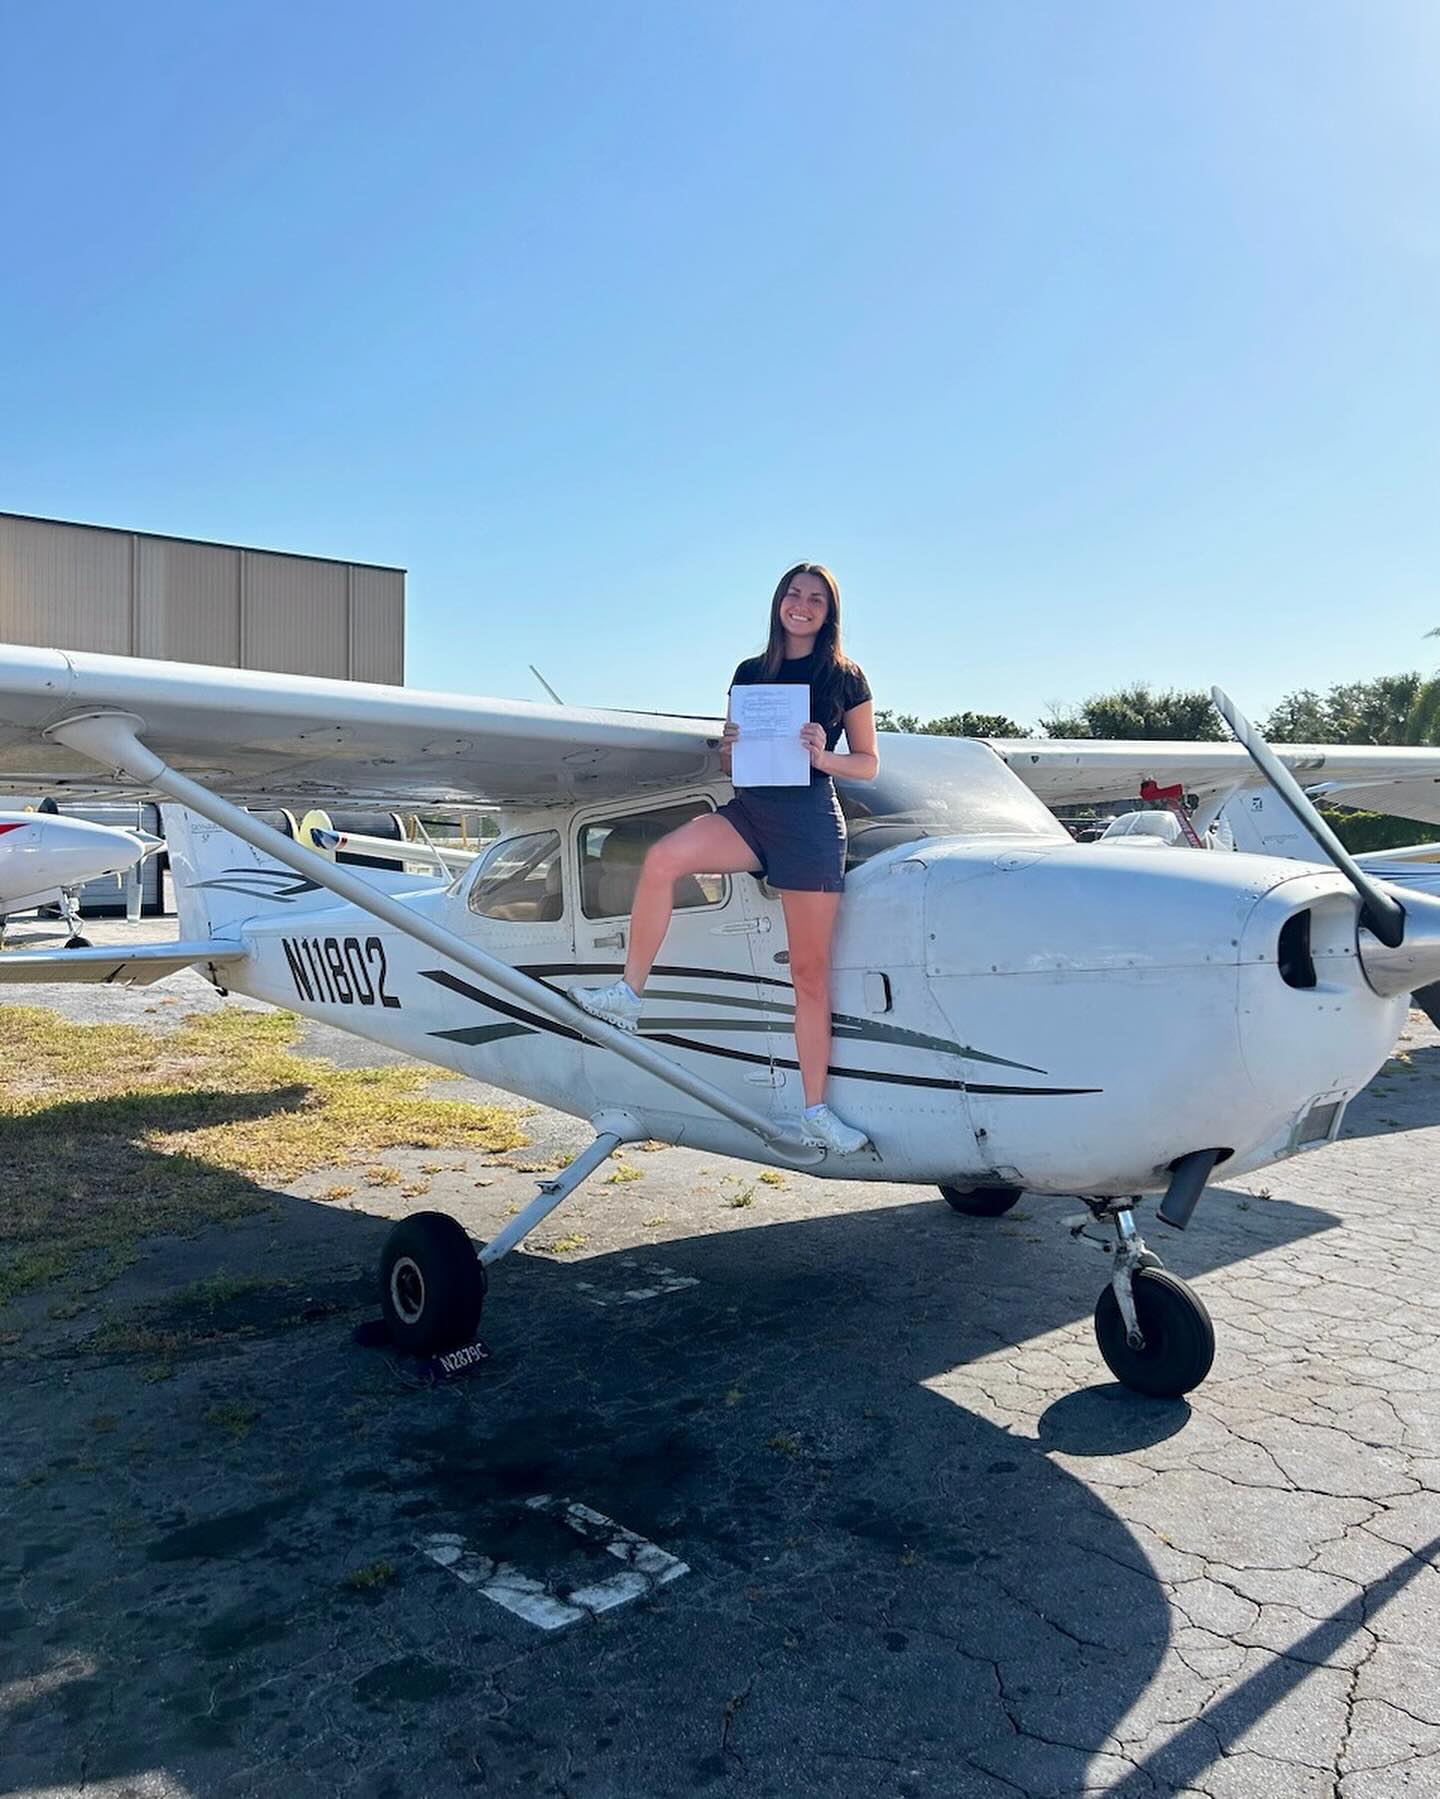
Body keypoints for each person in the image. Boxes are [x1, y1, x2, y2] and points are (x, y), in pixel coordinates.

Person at [576, 562, 879, 1154]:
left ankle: (816, 1111)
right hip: (752, 813)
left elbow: (867, 762)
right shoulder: (751, 671)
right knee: (662, 859)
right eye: (793, 594)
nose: (802, 604)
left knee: (808, 976)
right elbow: (731, 766)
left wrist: (824, 756)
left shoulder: (844, 675)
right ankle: (628, 997)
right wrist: (728, 749)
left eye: (815, 598)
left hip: (810, 825)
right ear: (778, 602)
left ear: (829, 611)